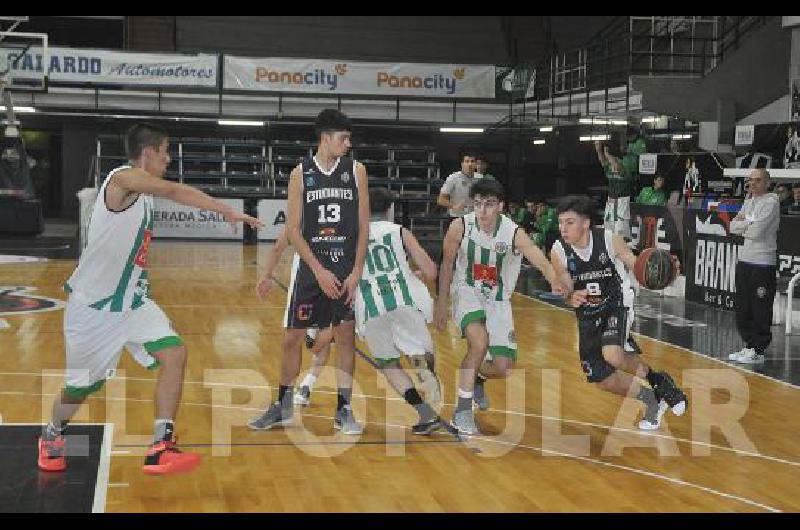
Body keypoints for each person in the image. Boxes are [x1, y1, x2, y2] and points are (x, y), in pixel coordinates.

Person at [39, 123, 264, 475]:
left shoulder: (143, 196)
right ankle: (52, 434)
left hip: (133, 301)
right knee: (79, 390)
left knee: (175, 353)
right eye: (165, 152)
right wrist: (225, 210)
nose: (168, 159)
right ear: (147, 154)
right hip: (94, 309)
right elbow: (173, 191)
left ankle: (161, 445)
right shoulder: (122, 180)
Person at [248, 109, 369, 435]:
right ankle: (283, 405)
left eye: (349, 138)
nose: (348, 143)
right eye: (343, 137)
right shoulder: (300, 174)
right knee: (292, 338)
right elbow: (293, 230)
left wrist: (357, 270)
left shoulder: (356, 171)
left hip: (345, 268)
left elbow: (362, 225)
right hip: (311, 269)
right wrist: (317, 270)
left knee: (345, 338)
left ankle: (344, 409)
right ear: (325, 138)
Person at [434, 178, 568, 435]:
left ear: (501, 206)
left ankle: (478, 379)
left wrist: (554, 280)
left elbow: (538, 258)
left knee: (504, 368)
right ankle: (462, 410)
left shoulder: (512, 232)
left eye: (490, 204)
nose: (483, 210)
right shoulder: (459, 227)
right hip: (467, 291)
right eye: (478, 204)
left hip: (497, 299)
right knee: (479, 342)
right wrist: (441, 303)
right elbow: (447, 265)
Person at [550, 195, 687, 430]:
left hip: (617, 302)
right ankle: (653, 396)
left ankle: (657, 380)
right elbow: (564, 283)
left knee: (612, 354)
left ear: (586, 223)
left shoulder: (608, 239)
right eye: (561, 222)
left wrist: (660, 270)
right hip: (588, 313)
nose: (563, 228)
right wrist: (570, 296)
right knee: (602, 380)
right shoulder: (559, 250)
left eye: (569, 222)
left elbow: (635, 263)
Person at [354, 187, 447, 434]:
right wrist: (413, 275)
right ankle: (422, 365)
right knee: (418, 349)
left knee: (389, 365)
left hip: (371, 305)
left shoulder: (353, 234)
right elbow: (430, 270)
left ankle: (425, 414)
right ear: (390, 209)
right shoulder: (399, 231)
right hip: (402, 298)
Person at [254, 228, 334, 407]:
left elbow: (277, 247)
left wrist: (266, 275)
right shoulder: (339, 213)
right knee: (320, 339)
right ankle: (299, 391)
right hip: (333, 279)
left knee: (302, 342)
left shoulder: (301, 216)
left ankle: (301, 389)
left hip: (307, 285)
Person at [728, 169, 781, 364]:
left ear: (767, 183)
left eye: (758, 180)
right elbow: (732, 226)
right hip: (745, 260)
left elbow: (757, 232)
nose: (753, 184)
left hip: (763, 263)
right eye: (751, 180)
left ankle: (758, 350)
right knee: (744, 307)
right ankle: (748, 346)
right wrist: (748, 224)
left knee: (760, 308)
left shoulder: (771, 201)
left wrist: (746, 224)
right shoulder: (749, 201)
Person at [595, 139, 633, 239]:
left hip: (622, 201)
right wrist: (599, 150)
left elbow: (618, 166)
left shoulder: (624, 170)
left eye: (613, 163)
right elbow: (603, 162)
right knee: (608, 227)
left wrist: (607, 154)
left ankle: (622, 248)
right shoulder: (609, 170)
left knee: (620, 228)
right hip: (611, 200)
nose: (611, 166)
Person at [438, 150, 477, 224]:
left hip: (475, 217)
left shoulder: (480, 179)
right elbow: (441, 200)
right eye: (467, 161)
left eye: (472, 161)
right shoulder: (453, 177)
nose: (470, 164)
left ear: (475, 164)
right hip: (457, 217)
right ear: (462, 164)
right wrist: (454, 206)